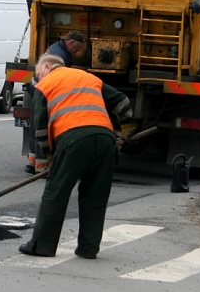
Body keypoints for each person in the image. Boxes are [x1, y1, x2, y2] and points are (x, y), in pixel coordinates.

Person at [18, 53, 133, 259]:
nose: (37, 79)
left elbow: (41, 129)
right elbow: (122, 102)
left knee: (56, 193)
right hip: (105, 140)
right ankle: (88, 248)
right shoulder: (88, 78)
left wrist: (51, 158)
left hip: (73, 140)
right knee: (95, 196)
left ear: (46, 68)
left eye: (38, 74)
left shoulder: (43, 87)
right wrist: (124, 131)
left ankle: (42, 246)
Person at [25, 30, 87, 174]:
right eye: (76, 48)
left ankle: (32, 162)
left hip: (36, 86)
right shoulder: (61, 56)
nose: (77, 52)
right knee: (44, 126)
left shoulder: (55, 49)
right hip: (44, 90)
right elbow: (58, 79)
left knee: (35, 125)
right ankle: (42, 167)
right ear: (71, 43)